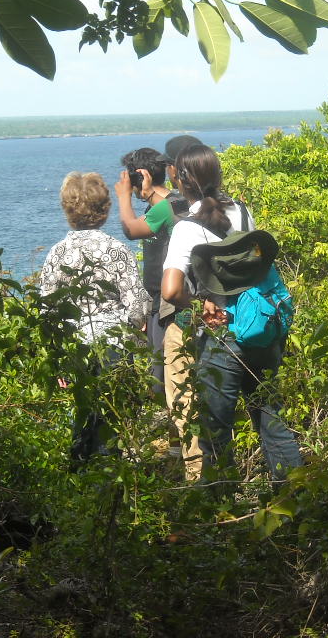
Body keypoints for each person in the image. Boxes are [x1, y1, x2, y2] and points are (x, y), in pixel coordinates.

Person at [160, 144, 302, 484]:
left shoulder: (186, 229)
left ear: (180, 180)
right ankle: (297, 498)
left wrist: (199, 304)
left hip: (222, 337)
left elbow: (170, 290)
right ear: (217, 175)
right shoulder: (241, 211)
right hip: (261, 328)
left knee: (215, 434)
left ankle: (221, 504)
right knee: (271, 418)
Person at [39, 172, 149, 466]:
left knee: (82, 414)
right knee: (111, 418)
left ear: (68, 209)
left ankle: (79, 475)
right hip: (114, 345)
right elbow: (136, 305)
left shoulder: (57, 253)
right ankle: (108, 479)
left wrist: (57, 355)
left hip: (75, 347)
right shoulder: (117, 250)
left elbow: (48, 310)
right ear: (104, 209)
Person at [114, 142, 203, 479]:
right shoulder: (173, 202)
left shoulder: (167, 206)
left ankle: (182, 455)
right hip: (160, 301)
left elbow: (131, 229)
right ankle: (177, 448)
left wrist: (124, 196)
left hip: (166, 304)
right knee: (167, 377)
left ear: (141, 176)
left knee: (166, 377)